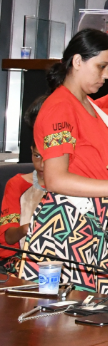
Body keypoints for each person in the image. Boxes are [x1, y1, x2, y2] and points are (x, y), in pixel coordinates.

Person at [19, 29, 108, 292]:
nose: (107, 76)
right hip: (66, 224)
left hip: (93, 221)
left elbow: (102, 165)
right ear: (77, 62)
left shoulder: (88, 105)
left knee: (91, 315)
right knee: (62, 317)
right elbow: (55, 179)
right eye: (102, 67)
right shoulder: (59, 108)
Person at [1, 96, 47, 274]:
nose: (42, 165)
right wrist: (28, 228)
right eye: (37, 156)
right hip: (20, 261)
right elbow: (8, 238)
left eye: (48, 158)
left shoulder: (74, 184)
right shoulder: (18, 184)